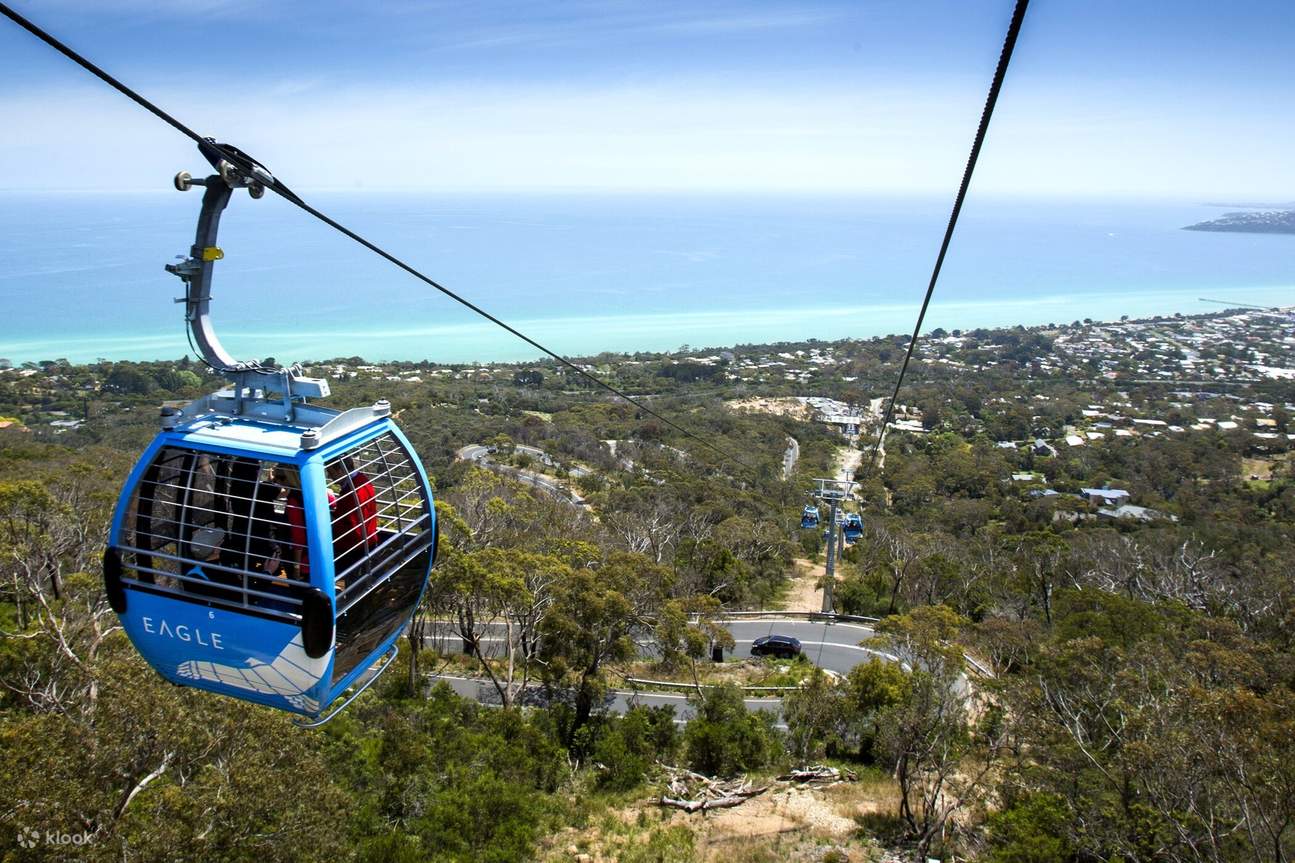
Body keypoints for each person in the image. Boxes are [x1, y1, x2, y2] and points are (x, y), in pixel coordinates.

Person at [327, 456, 377, 575]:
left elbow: (352, 524)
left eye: (330, 472)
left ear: (340, 471)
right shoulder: (361, 480)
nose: (330, 476)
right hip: (367, 540)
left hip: (354, 546)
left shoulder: (353, 493)